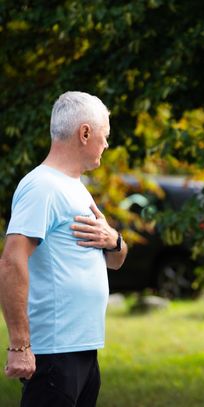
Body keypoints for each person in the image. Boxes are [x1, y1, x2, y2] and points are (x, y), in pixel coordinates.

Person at [0, 91, 128, 407]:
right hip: (54, 353)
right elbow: (12, 260)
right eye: (104, 135)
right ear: (84, 133)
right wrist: (19, 346)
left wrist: (114, 239)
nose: (106, 144)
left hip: (82, 349)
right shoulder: (42, 186)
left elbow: (115, 261)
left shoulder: (77, 188)